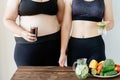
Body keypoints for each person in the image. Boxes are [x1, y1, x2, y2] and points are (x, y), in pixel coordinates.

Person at [3, 0, 64, 66]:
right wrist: (22, 33)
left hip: (53, 45)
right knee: (27, 75)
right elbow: (8, 20)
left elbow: (61, 21)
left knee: (53, 75)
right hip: (26, 47)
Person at [59, 0, 114, 67]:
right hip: (75, 47)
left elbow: (111, 22)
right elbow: (66, 27)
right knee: (73, 76)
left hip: (95, 46)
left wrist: (106, 25)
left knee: (95, 76)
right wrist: (62, 53)